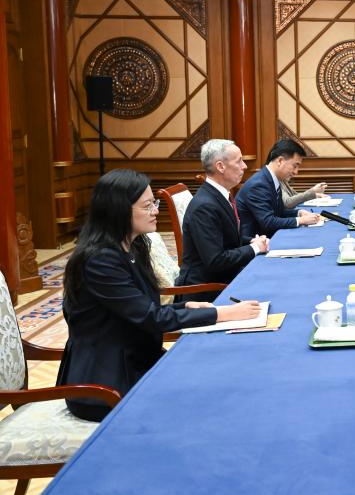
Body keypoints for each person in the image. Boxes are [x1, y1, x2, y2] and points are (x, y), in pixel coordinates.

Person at [57, 169, 261, 421]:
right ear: (118, 210)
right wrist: (222, 314)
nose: (156, 210)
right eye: (147, 206)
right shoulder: (99, 260)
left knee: (216, 376)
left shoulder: (133, 246)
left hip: (137, 361)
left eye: (154, 202)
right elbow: (150, 317)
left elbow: (142, 307)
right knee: (206, 400)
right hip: (104, 385)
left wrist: (186, 307)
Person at [176, 139, 270, 298]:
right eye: (239, 161)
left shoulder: (220, 195)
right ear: (220, 166)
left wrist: (252, 241)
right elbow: (216, 260)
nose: (244, 166)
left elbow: (226, 238)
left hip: (225, 278)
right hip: (206, 291)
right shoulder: (204, 206)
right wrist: (254, 248)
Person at [236, 139, 321, 238]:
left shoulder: (272, 179)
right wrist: (301, 220)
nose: (296, 172)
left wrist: (299, 213)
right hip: (255, 242)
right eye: (295, 166)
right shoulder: (258, 184)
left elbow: (278, 212)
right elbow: (268, 222)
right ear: (280, 161)